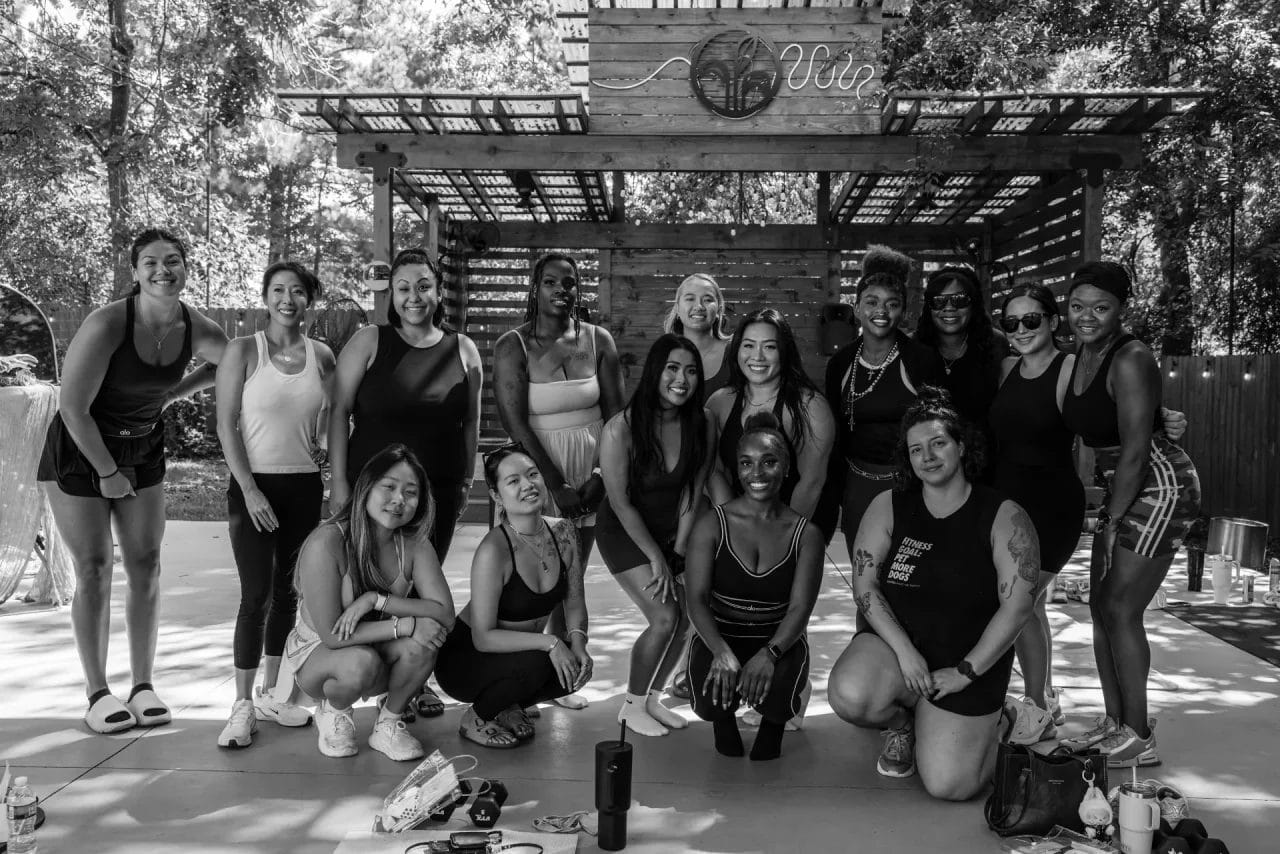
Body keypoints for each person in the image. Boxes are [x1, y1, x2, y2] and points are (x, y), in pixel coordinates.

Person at [38, 228, 228, 734]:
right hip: (83, 449)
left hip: (142, 445)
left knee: (147, 563)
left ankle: (143, 685)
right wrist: (108, 473)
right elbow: (72, 409)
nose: (163, 270)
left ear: (187, 267)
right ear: (135, 271)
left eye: (173, 260)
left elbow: (231, 363)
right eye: (151, 262)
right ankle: (97, 693)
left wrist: (170, 396)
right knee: (95, 567)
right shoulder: (107, 324)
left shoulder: (195, 325)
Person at [827, 389, 1037, 799]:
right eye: (916, 449)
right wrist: (905, 653)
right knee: (850, 694)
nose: (928, 456)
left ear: (960, 445)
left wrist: (965, 672)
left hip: (969, 663)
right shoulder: (888, 505)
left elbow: (1018, 607)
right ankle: (902, 723)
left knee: (950, 786)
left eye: (938, 443)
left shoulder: (1004, 515)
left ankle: (997, 724)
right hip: (904, 656)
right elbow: (865, 588)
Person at [1057, 261, 1200, 768]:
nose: (1086, 317)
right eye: (1077, 307)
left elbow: (1138, 450)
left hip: (1157, 485)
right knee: (1099, 607)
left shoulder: (1131, 356)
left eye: (1100, 307)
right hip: (1123, 485)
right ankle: (1115, 724)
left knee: (1119, 609)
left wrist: (1112, 519)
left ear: (1122, 309)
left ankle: (1139, 735)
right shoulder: (1081, 355)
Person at [213, 261, 336, 748]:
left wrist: (325, 450)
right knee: (255, 596)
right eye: (279, 290)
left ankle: (272, 692)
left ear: (310, 300)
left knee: (290, 595)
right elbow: (227, 425)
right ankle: (241, 705)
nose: (288, 299)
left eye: (298, 292)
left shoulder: (322, 355)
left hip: (303, 486)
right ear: (265, 298)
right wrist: (249, 488)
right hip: (254, 488)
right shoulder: (243, 351)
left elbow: (329, 417)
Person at [493, 252, 623, 709]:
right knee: (531, 579)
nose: (561, 289)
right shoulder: (513, 345)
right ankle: (523, 673)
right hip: (537, 471)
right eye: (550, 281)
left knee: (570, 576)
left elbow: (616, 418)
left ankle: (556, 671)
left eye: (569, 282)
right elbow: (516, 424)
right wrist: (555, 485)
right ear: (535, 288)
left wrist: (601, 477)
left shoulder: (597, 339)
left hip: (592, 470)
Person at [286, 444, 453, 761]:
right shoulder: (328, 542)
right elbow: (333, 637)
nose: (399, 500)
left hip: (375, 647)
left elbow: (445, 614)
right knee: (362, 660)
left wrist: (375, 600)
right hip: (320, 655)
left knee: (427, 639)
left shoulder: (415, 545)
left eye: (411, 492)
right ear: (365, 488)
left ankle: (388, 723)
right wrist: (406, 624)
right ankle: (334, 712)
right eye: (389, 487)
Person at [684, 412, 823, 761]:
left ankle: (774, 724)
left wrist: (770, 654)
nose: (756, 474)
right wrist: (720, 651)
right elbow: (696, 599)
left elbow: (800, 609)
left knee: (776, 710)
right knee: (711, 702)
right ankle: (724, 720)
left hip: (777, 637)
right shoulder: (712, 524)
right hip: (723, 632)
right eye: (746, 463)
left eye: (769, 462)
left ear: (786, 467)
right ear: (737, 468)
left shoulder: (806, 534)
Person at [328, 247, 482, 562]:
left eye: (424, 286)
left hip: (437, 493)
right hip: (371, 492)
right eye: (403, 288)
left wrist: (466, 481)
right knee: (368, 588)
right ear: (393, 296)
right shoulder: (369, 342)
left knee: (423, 589)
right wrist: (339, 482)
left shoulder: (464, 349)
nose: (414, 296)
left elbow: (471, 422)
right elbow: (339, 412)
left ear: (439, 292)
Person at [435, 446, 592, 748]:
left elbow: (573, 601)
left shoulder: (565, 533)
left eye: (533, 475)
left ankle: (508, 706)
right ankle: (477, 717)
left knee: (573, 671)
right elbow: (483, 637)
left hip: (517, 657)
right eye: (513, 481)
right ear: (496, 495)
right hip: (467, 660)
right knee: (543, 663)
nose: (528, 485)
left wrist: (579, 642)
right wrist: (552, 643)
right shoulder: (495, 550)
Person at [597, 334, 715, 736]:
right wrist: (657, 558)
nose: (682, 379)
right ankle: (630, 706)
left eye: (692, 370)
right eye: (673, 368)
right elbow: (621, 503)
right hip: (624, 532)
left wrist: (679, 549)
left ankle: (652, 698)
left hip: (670, 532)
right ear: (655, 372)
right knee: (665, 617)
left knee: (686, 620)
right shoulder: (621, 430)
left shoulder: (703, 422)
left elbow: (692, 489)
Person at [823, 245, 945, 559]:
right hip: (858, 485)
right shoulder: (841, 363)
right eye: (872, 302)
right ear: (857, 306)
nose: (881, 311)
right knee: (865, 573)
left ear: (903, 310)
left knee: (907, 576)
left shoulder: (920, 360)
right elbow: (834, 431)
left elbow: (942, 428)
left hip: (911, 484)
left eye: (892, 304)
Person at [707, 308, 834, 527]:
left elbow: (811, 483)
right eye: (748, 345)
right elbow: (714, 471)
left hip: (798, 519)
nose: (757, 356)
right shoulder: (720, 402)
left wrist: (780, 539)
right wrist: (732, 527)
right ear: (737, 350)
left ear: (784, 352)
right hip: (740, 519)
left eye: (769, 347)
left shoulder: (809, 406)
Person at [915, 266, 1006, 428]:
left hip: (984, 446)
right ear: (929, 307)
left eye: (960, 299)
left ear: (973, 304)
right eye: (939, 301)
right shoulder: (912, 346)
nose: (949, 307)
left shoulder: (995, 342)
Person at [665, 273, 733, 397]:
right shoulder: (663, 355)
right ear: (678, 309)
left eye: (707, 300)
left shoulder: (735, 352)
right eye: (690, 299)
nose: (699, 306)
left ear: (719, 309)